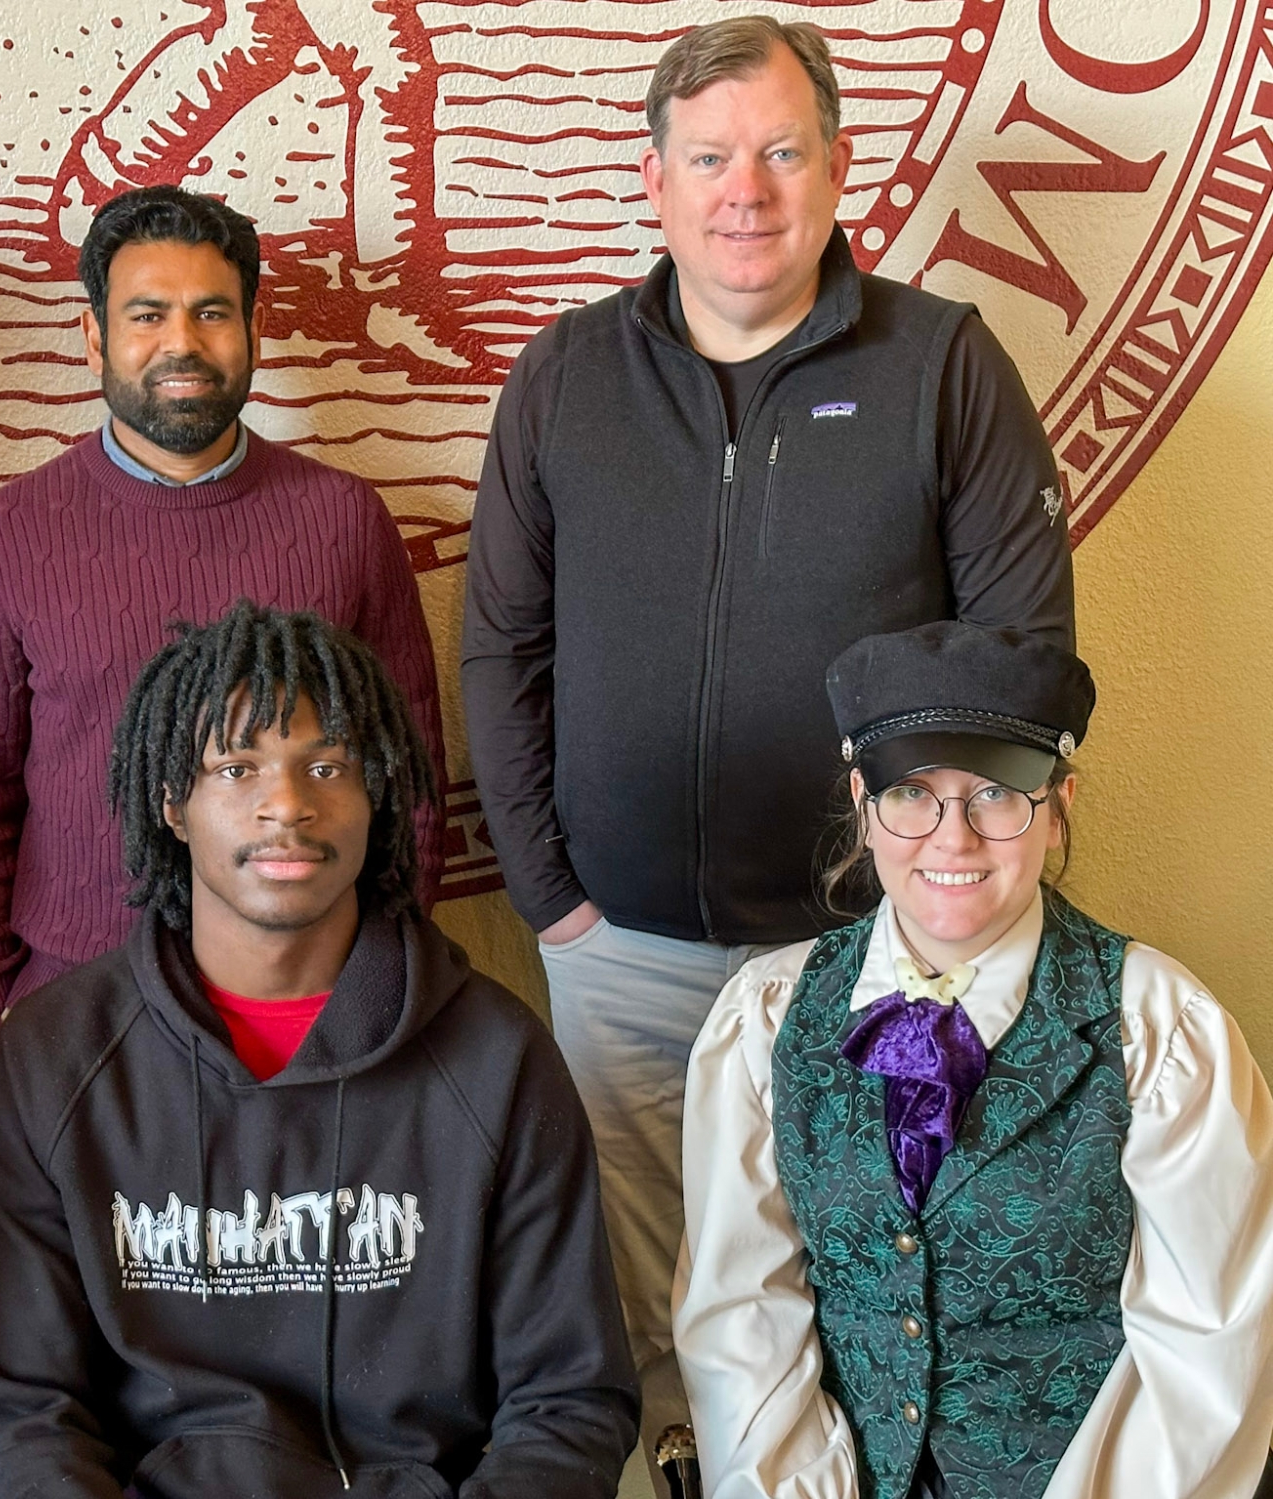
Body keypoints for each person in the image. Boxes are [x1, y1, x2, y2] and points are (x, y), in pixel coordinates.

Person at [458, 14, 1077, 1456]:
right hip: (625, 954)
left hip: (877, 952)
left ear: (840, 168)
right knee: (655, 1304)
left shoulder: (946, 365)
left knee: (879, 1287)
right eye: (713, 158)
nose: (749, 190)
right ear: (657, 184)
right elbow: (502, 645)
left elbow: (1024, 661)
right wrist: (551, 895)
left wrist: (939, 906)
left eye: (784, 151)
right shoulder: (562, 376)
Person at [0, 601, 637, 1497]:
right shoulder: (49, 1063)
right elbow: (26, 1413)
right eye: (237, 767)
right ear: (172, 802)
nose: (286, 803)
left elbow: (568, 1402)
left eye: (327, 764)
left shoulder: (497, 1061)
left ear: (375, 793)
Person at [674, 622, 1273, 1499]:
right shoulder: (764, 1022)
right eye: (913, 792)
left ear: (1058, 803)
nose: (952, 838)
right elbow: (740, 1313)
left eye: (996, 793)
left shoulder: (1161, 1030)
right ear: (862, 799)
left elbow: (1209, 1350)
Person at [0, 184, 447, 1049]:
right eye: (147, 314)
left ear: (253, 328)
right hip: (75, 1006)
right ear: (95, 333)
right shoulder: (4, 537)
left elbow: (408, 771)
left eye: (211, 312)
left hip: (307, 998)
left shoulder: (344, 521)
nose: (182, 342)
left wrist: (385, 969)